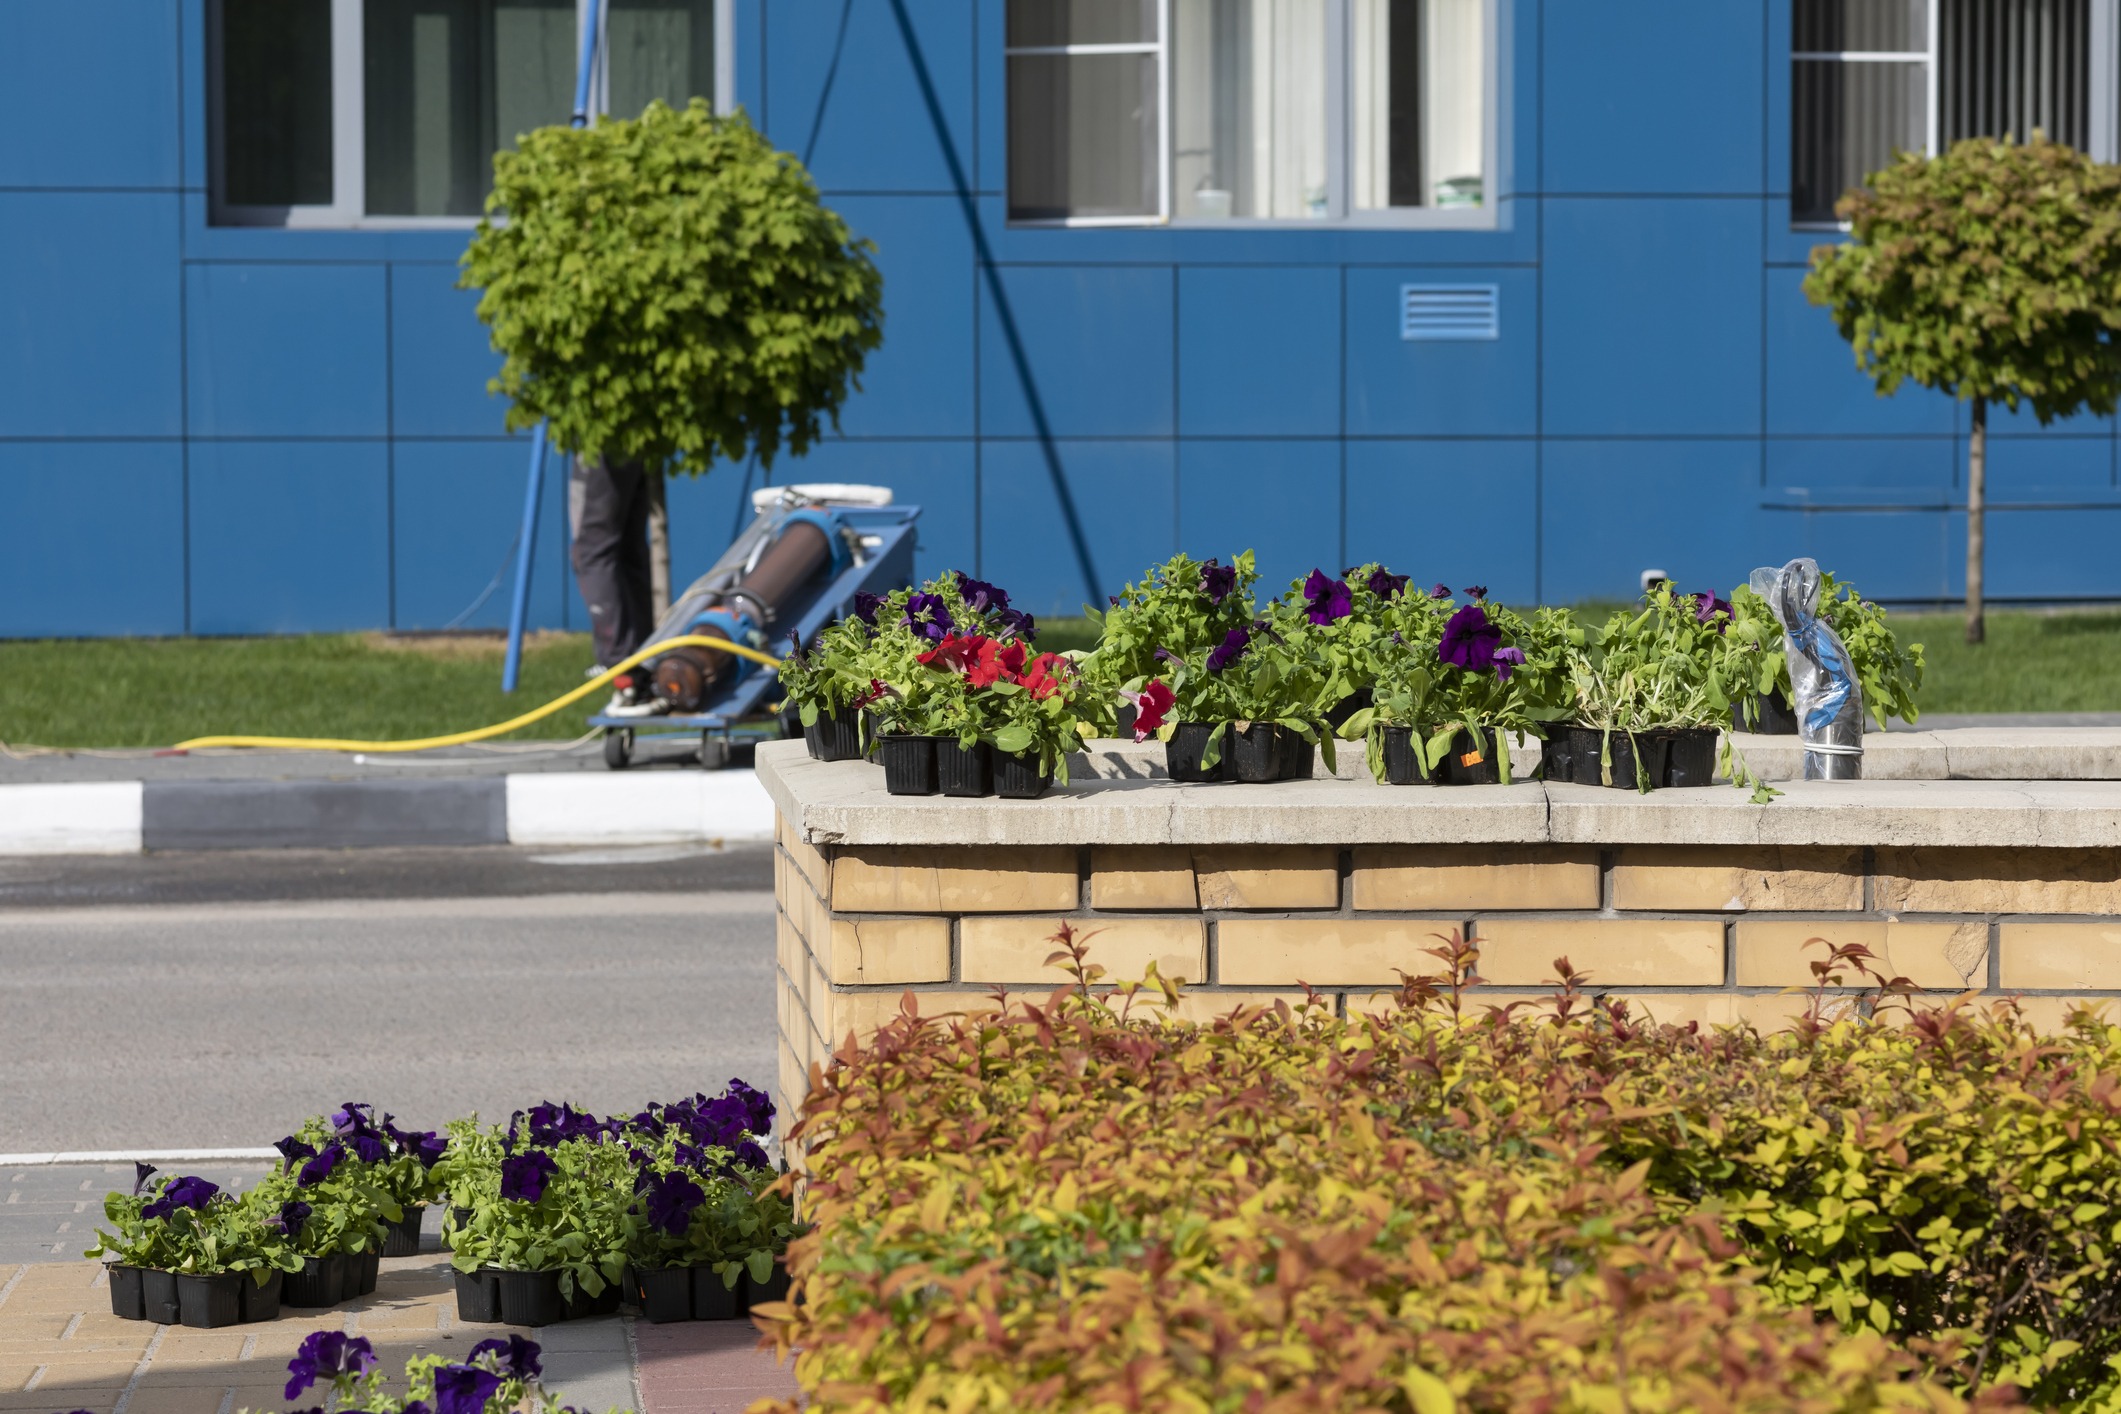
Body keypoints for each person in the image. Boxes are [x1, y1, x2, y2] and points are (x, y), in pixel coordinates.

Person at [569, 455, 661, 716]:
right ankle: (642, 659)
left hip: (600, 437)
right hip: (632, 436)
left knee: (591, 551)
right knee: (627, 551)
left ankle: (621, 664)